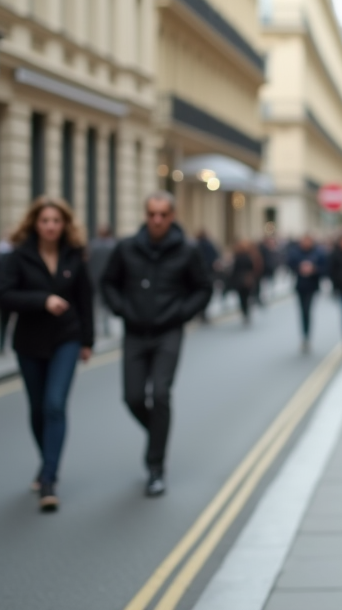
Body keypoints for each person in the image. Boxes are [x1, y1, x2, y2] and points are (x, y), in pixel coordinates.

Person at [101, 192, 212, 497]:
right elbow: (108, 282)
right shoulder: (126, 247)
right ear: (145, 215)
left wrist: (181, 313)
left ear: (172, 216)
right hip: (135, 332)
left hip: (168, 333)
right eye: (152, 214)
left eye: (163, 214)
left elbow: (203, 288)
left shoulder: (187, 250)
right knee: (133, 397)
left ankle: (155, 468)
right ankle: (158, 434)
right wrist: (122, 309)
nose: (157, 220)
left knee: (161, 394)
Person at [0, 197, 94, 512]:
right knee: (37, 409)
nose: (50, 226)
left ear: (64, 225)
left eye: (56, 221)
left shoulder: (74, 255)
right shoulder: (18, 256)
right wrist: (43, 300)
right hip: (29, 342)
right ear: (35, 224)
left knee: (54, 405)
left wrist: (87, 341)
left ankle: (49, 479)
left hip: (66, 338)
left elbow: (85, 299)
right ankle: (46, 462)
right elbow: (2, 295)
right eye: (45, 221)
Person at [286, 234, 326, 353]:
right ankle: (304, 336)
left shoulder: (318, 252)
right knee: (302, 311)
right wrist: (299, 267)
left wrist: (313, 269)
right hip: (300, 286)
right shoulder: (295, 252)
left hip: (312, 286)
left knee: (307, 311)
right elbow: (289, 264)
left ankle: (307, 336)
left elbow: (324, 268)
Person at [87, 225, 116, 337]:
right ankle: (107, 328)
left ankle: (99, 328)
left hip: (95, 279)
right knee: (107, 304)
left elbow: (89, 263)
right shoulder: (113, 246)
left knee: (97, 304)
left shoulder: (93, 246)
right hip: (108, 279)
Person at [229, 240, 261, 325]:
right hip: (247, 280)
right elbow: (252, 267)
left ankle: (245, 312)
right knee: (246, 297)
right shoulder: (249, 257)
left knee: (242, 298)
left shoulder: (237, 257)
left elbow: (234, 270)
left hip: (239, 280)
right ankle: (247, 312)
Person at [194, 229, 221, 324]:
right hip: (208, 272)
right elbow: (215, 257)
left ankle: (200, 311)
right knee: (207, 292)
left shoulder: (195, 245)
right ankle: (203, 312)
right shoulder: (209, 245)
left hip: (197, 273)